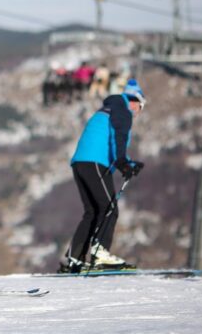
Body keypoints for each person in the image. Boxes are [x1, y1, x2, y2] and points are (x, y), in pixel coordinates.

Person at [59, 79, 147, 273]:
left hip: (81, 163)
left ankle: (75, 258)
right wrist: (124, 163)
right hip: (95, 162)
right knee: (109, 209)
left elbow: (108, 140)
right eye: (141, 107)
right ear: (135, 101)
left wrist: (128, 163)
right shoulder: (123, 110)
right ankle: (100, 253)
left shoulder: (109, 109)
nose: (139, 112)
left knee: (93, 211)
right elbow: (119, 138)